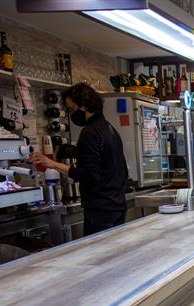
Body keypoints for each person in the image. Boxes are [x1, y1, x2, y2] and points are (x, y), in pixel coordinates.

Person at [29, 83, 129, 236]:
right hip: (117, 206)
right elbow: (122, 170)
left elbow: (89, 174)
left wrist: (53, 164)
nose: (71, 114)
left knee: (98, 257)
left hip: (100, 210)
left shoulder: (89, 133)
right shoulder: (110, 129)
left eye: (71, 109)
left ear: (83, 105)